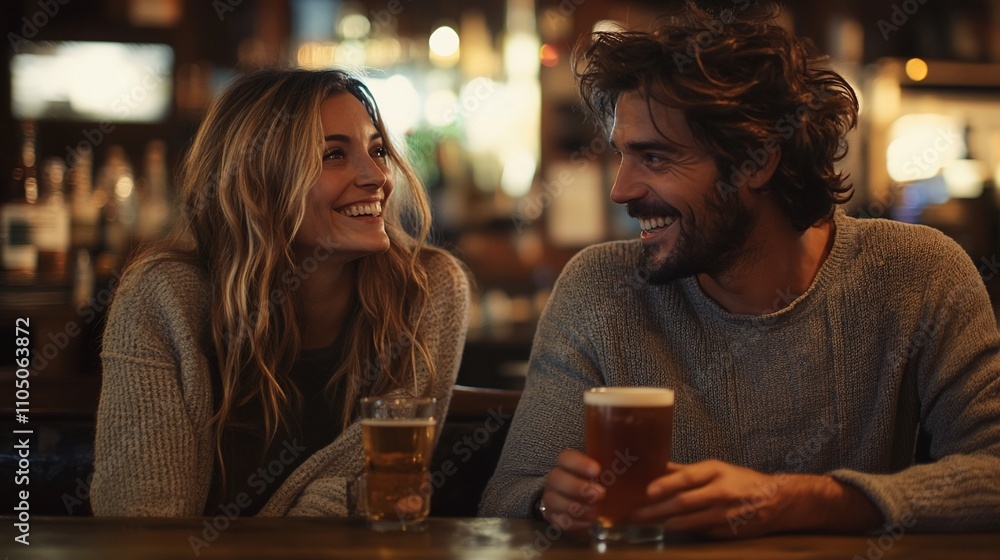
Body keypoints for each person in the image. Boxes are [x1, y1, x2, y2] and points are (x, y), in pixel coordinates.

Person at [480, 3, 1000, 537]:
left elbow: (992, 474)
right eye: (622, 155)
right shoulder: (601, 288)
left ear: (758, 161)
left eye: (655, 158)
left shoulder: (915, 273)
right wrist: (550, 502)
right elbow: (508, 495)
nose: (621, 189)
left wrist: (797, 502)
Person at [91, 68, 470, 517]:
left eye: (378, 150)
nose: (377, 177)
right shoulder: (163, 299)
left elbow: (383, 485)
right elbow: (143, 522)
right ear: (257, 181)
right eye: (334, 155)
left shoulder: (426, 290)